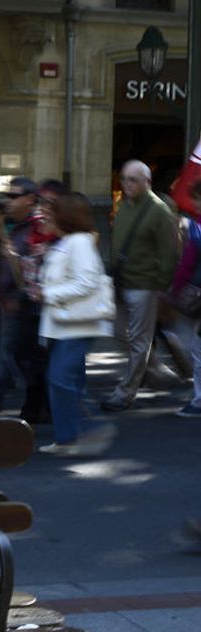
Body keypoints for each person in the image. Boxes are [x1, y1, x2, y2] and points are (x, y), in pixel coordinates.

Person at [35, 192, 116, 457]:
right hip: (66, 324)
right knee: (66, 379)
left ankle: (77, 434)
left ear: (65, 215)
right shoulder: (68, 242)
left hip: (75, 324)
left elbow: (86, 282)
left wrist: (48, 294)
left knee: (60, 379)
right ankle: (74, 435)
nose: (44, 213)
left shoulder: (77, 242)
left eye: (51, 209)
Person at [102, 160, 182, 412]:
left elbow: (169, 252)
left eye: (133, 180)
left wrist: (160, 288)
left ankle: (125, 393)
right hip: (122, 282)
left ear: (147, 182)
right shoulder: (124, 204)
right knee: (117, 331)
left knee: (138, 340)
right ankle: (154, 369)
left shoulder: (159, 210)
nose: (126, 184)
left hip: (145, 285)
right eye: (124, 179)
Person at [0, 176, 55, 423]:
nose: (10, 201)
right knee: (29, 361)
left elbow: (40, 266)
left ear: (30, 199)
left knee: (15, 359)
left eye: (15, 196)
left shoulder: (39, 227)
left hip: (30, 305)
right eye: (8, 196)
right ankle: (38, 406)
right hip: (14, 303)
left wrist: (15, 259)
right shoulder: (12, 225)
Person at [165, 181, 201, 418]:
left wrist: (174, 290)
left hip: (196, 292)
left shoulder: (197, 230)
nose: (194, 204)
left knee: (197, 350)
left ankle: (199, 400)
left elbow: (186, 266)